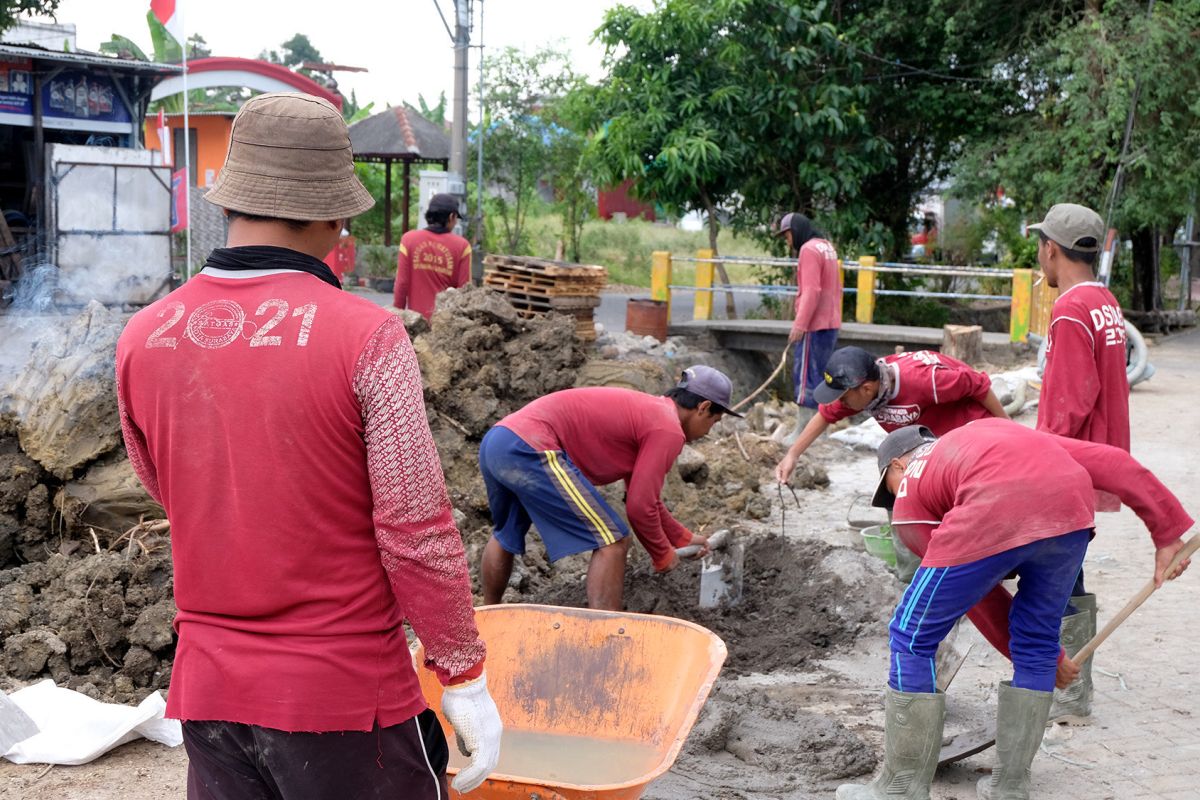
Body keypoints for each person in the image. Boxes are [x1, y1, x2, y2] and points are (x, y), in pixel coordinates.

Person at [116, 93, 501, 800]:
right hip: (344, 703)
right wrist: (463, 673)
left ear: (232, 202)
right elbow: (415, 532)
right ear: (335, 215)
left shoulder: (144, 336)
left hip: (209, 697)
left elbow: (168, 485)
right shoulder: (368, 337)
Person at [836, 420, 1191, 800]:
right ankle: (1009, 786)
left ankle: (899, 788)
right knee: (1036, 643)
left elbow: (981, 598)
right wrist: (1166, 532)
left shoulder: (909, 490)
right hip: (1070, 511)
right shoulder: (999, 436)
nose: (893, 502)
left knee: (911, 635)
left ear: (897, 468)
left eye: (887, 492)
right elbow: (1115, 462)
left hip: (992, 504)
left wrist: (1054, 658)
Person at [479, 366, 739, 611]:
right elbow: (639, 508)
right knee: (613, 541)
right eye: (714, 422)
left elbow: (646, 499)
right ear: (703, 408)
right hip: (531, 446)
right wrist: (662, 555)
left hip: (500, 439)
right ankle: (606, 637)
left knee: (506, 533)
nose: (708, 431)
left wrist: (682, 538)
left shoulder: (649, 412)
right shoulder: (668, 429)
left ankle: (488, 614)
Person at [1032, 202, 1129, 718]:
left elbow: (1070, 401)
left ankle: (1067, 690)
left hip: (1067, 461)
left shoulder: (1069, 309)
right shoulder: (1104, 302)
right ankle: (1071, 686)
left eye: (1039, 248)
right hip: (1095, 457)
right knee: (1067, 571)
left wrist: (1037, 461)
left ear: (1052, 248)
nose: (1039, 258)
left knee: (1052, 573)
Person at [773, 346, 1008, 485]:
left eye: (843, 398)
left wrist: (1006, 427)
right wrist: (792, 454)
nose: (840, 403)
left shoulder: (924, 380)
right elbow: (825, 416)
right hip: (935, 444)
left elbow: (978, 385)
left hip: (974, 435)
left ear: (865, 388)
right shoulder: (866, 391)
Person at [775, 212, 841, 422]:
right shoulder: (826, 247)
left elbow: (812, 290)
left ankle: (802, 428)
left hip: (813, 325)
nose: (788, 242)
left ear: (795, 231)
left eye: (787, 237)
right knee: (821, 375)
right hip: (831, 322)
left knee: (805, 378)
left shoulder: (808, 250)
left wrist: (800, 325)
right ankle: (818, 428)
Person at [393, 193, 473, 319]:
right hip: (445, 327)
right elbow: (464, 292)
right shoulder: (462, 246)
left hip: (416, 324)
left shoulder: (408, 240)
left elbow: (401, 284)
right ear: (452, 216)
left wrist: (396, 319)